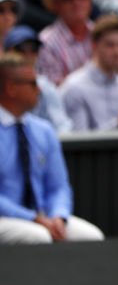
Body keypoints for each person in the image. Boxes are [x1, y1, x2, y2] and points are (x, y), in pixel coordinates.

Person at [0, 52, 104, 244]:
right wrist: (32, 218)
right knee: (38, 237)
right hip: (7, 219)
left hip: (43, 217)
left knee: (91, 237)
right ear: (11, 88)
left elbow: (59, 186)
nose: (39, 89)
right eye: (32, 83)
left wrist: (59, 216)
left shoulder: (44, 130)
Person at [4, 25, 70, 134]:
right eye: (21, 49)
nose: (28, 55)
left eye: (33, 49)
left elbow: (62, 127)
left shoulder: (45, 86)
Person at [36, 0, 93, 86]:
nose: (76, 2)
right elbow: (53, 89)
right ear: (56, 5)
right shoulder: (46, 42)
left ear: (89, 1)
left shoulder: (100, 34)